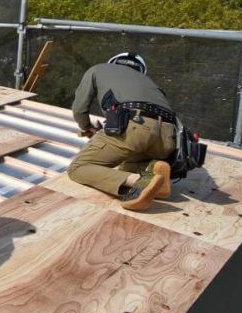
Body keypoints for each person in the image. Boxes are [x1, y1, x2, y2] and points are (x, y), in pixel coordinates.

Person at [67, 52, 176, 211]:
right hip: (168, 138)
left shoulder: (98, 69)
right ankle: (152, 169)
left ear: (113, 63)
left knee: (78, 168)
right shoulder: (150, 84)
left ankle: (141, 181)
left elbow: (79, 109)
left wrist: (86, 127)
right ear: (141, 70)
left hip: (134, 125)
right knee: (126, 164)